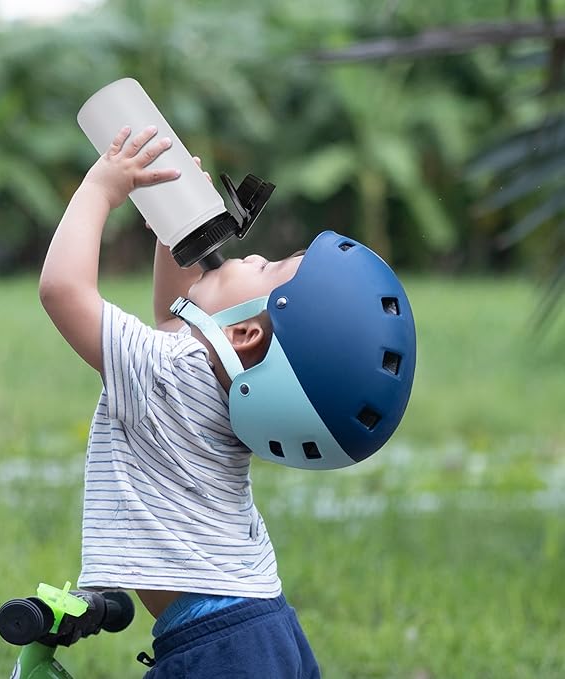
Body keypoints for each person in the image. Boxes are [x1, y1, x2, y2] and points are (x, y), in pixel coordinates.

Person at [39, 124, 416, 678]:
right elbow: (173, 320)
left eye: (264, 267)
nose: (253, 255)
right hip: (263, 624)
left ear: (244, 334)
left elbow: (62, 290)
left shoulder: (165, 372)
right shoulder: (203, 379)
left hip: (217, 652)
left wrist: (100, 189)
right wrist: (174, 230)